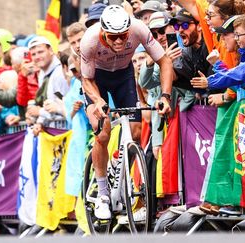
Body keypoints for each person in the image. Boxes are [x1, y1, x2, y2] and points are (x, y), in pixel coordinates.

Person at [80, 5, 173, 219]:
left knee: (137, 131)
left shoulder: (138, 28)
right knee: (102, 132)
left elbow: (164, 60)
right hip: (97, 80)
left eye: (123, 36)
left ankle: (121, 172)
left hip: (123, 75)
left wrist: (165, 96)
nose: (120, 42)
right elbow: (86, 79)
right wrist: (99, 100)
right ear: (103, 32)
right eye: (114, 37)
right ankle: (103, 192)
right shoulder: (89, 40)